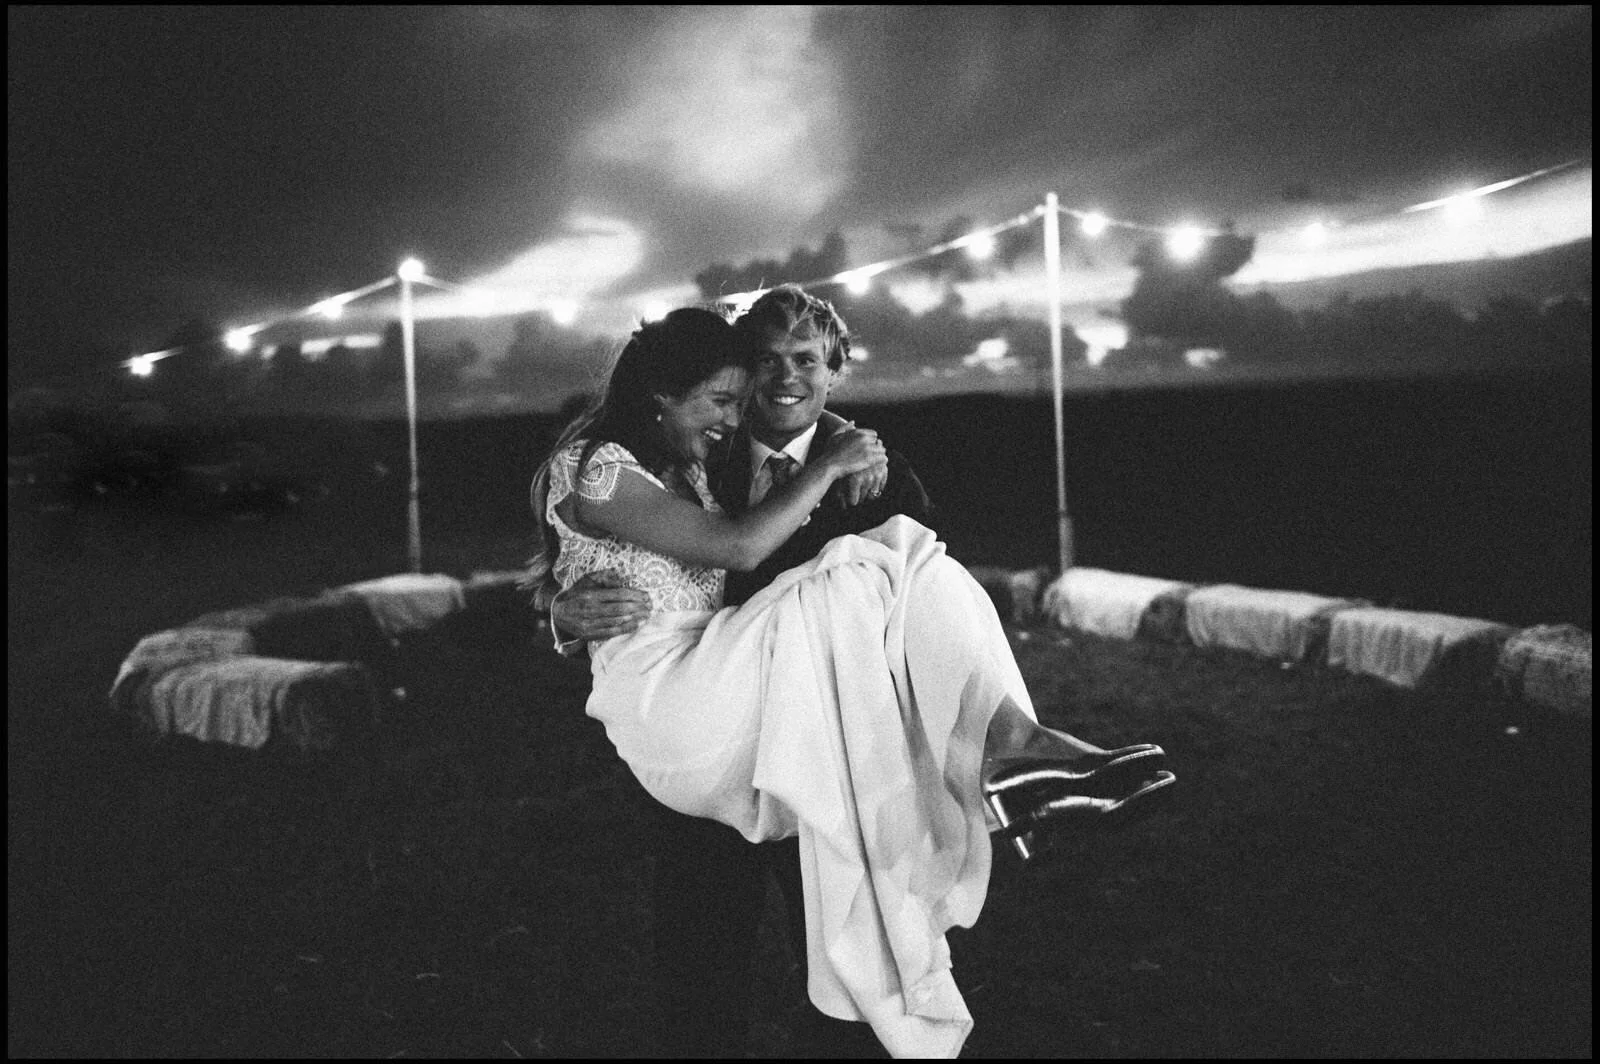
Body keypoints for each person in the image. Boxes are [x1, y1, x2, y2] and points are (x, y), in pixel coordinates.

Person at [532, 295, 1173, 1058]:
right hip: (712, 736)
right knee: (701, 976)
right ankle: (1007, 754)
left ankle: (1014, 750)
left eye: (805, 362)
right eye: (761, 366)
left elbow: (923, 625)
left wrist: (839, 446)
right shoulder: (696, 459)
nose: (778, 384)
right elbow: (626, 553)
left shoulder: (876, 473)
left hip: (831, 749)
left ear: (834, 374)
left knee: (851, 957)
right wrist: (562, 614)